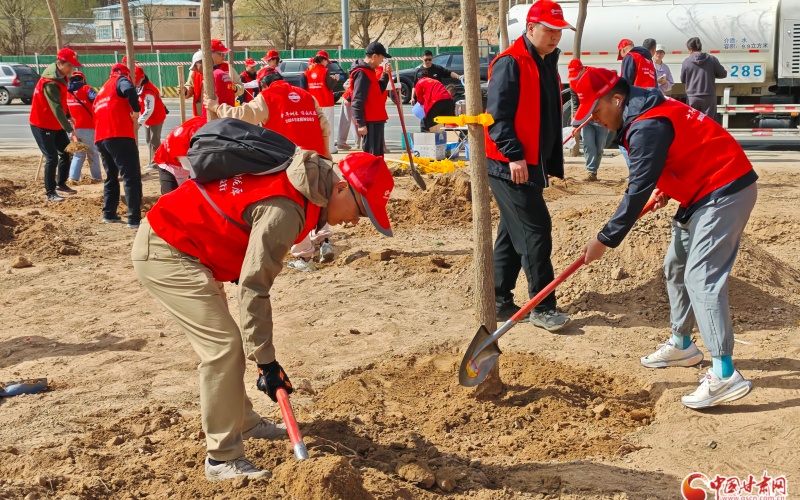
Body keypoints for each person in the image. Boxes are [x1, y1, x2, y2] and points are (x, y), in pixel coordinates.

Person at [132, 150, 395, 481]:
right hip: (167, 249)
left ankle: (244, 422)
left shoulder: (308, 184)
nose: (355, 221)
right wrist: (267, 363)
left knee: (231, 344)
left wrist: (263, 357)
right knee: (223, 349)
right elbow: (253, 287)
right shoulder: (288, 208)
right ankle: (222, 458)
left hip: (191, 248)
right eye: (361, 210)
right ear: (341, 188)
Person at [573, 66, 758, 409]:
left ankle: (724, 374)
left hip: (724, 190)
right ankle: (683, 345)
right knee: (676, 266)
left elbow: (636, 190)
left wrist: (605, 239)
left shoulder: (647, 124)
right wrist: (668, 186)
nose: (594, 119)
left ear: (617, 99)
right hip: (700, 192)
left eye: (596, 111)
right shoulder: (646, 111)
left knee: (702, 278)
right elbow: (682, 150)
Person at [484, 0, 573, 331]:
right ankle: (542, 307)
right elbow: (497, 117)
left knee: (512, 232)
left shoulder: (546, 61)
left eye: (559, 31)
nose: (555, 37)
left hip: (529, 163)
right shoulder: (511, 62)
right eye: (549, 30)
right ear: (531, 28)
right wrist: (515, 155)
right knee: (536, 230)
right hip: (509, 164)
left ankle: (498, 300)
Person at [206, 68, 330, 158]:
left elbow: (241, 115)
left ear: (263, 85)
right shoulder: (307, 96)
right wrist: (327, 154)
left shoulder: (267, 96)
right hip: (317, 158)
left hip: (288, 160)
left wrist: (216, 107)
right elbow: (324, 126)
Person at [93, 63, 142, 228]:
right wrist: (136, 109)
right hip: (119, 135)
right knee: (131, 177)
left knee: (111, 177)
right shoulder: (120, 80)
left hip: (101, 138)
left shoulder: (101, 91)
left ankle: (109, 213)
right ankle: (134, 218)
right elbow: (129, 90)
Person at [29, 48, 81, 202]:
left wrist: (68, 115)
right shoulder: (50, 82)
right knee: (52, 158)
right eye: (69, 65)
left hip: (55, 124)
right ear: (59, 64)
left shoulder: (62, 77)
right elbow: (56, 107)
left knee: (66, 152)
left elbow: (62, 102)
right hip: (42, 124)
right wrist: (70, 130)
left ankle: (61, 184)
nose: (72, 69)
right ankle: (50, 192)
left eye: (73, 65)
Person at [568, 60, 608, 182]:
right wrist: (576, 123)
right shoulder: (573, 84)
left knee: (599, 148)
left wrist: (597, 111)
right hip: (586, 119)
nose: (576, 78)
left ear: (583, 69)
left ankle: (594, 169)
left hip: (601, 118)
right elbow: (576, 104)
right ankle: (592, 172)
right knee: (589, 145)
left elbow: (605, 96)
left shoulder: (594, 77)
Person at [350, 42, 391, 157]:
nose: (381, 62)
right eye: (381, 58)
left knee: (377, 155)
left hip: (376, 118)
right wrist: (361, 123)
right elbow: (357, 100)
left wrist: (385, 74)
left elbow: (378, 90)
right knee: (371, 155)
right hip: (370, 121)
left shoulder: (369, 71)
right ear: (374, 56)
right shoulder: (362, 73)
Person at [66, 70, 103, 185]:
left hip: (73, 128)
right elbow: (96, 99)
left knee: (78, 154)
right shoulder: (86, 89)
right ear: (83, 79)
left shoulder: (67, 91)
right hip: (88, 126)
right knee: (92, 152)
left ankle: (73, 178)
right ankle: (96, 177)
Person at [153, 116, 207, 194]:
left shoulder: (202, 125)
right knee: (170, 195)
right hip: (168, 163)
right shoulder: (181, 143)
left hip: (187, 164)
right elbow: (190, 167)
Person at [681, 37, 727, 121]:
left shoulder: (686, 62)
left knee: (693, 122)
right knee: (709, 122)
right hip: (709, 96)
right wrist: (711, 74)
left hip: (692, 97)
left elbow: (683, 80)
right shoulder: (712, 59)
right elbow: (723, 74)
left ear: (690, 50)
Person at [305, 50, 338, 154]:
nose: (327, 63)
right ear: (323, 60)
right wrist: (335, 80)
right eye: (326, 61)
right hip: (326, 101)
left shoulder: (308, 71)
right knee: (328, 125)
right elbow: (329, 86)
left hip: (313, 102)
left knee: (316, 126)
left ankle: (317, 148)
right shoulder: (325, 71)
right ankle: (330, 148)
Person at [135, 66, 168, 170]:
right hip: (147, 119)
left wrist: (139, 122)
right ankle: (152, 161)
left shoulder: (149, 91)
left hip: (156, 118)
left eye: (137, 80)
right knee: (148, 140)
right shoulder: (139, 87)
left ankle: (157, 163)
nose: (135, 83)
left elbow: (149, 110)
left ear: (143, 77)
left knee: (155, 141)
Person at [183, 50, 204, 117]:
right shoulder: (194, 73)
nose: (195, 69)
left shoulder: (224, 70)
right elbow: (190, 86)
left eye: (196, 65)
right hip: (200, 112)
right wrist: (185, 91)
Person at [336, 79, 355, 150]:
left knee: (355, 121)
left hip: (353, 97)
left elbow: (346, 85)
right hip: (351, 98)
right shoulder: (360, 73)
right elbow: (349, 85)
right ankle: (341, 142)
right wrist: (349, 98)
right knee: (347, 120)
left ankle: (358, 143)